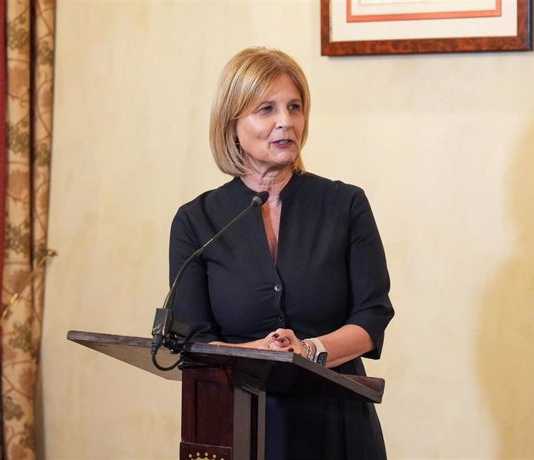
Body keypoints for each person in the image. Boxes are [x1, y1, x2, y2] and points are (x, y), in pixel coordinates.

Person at [169, 46, 394, 459]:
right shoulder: (195, 221)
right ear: (232, 122)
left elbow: (372, 316)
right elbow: (193, 342)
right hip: (239, 424)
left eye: (294, 106)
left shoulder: (345, 206)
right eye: (266, 109)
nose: (285, 122)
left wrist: (307, 350)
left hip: (336, 425)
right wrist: (263, 352)